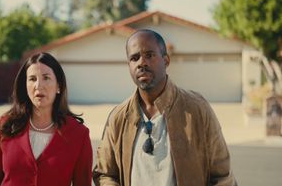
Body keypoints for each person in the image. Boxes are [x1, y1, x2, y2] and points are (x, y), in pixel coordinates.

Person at [93, 29, 237, 186]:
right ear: (129, 65)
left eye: (149, 55)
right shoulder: (118, 117)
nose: (142, 63)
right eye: (135, 58)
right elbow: (105, 174)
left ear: (166, 60)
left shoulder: (197, 109)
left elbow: (222, 176)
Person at [0, 52, 93, 186]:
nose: (38, 85)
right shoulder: (6, 125)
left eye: (46, 78)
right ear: (25, 85)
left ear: (59, 86)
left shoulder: (79, 134)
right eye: (32, 79)